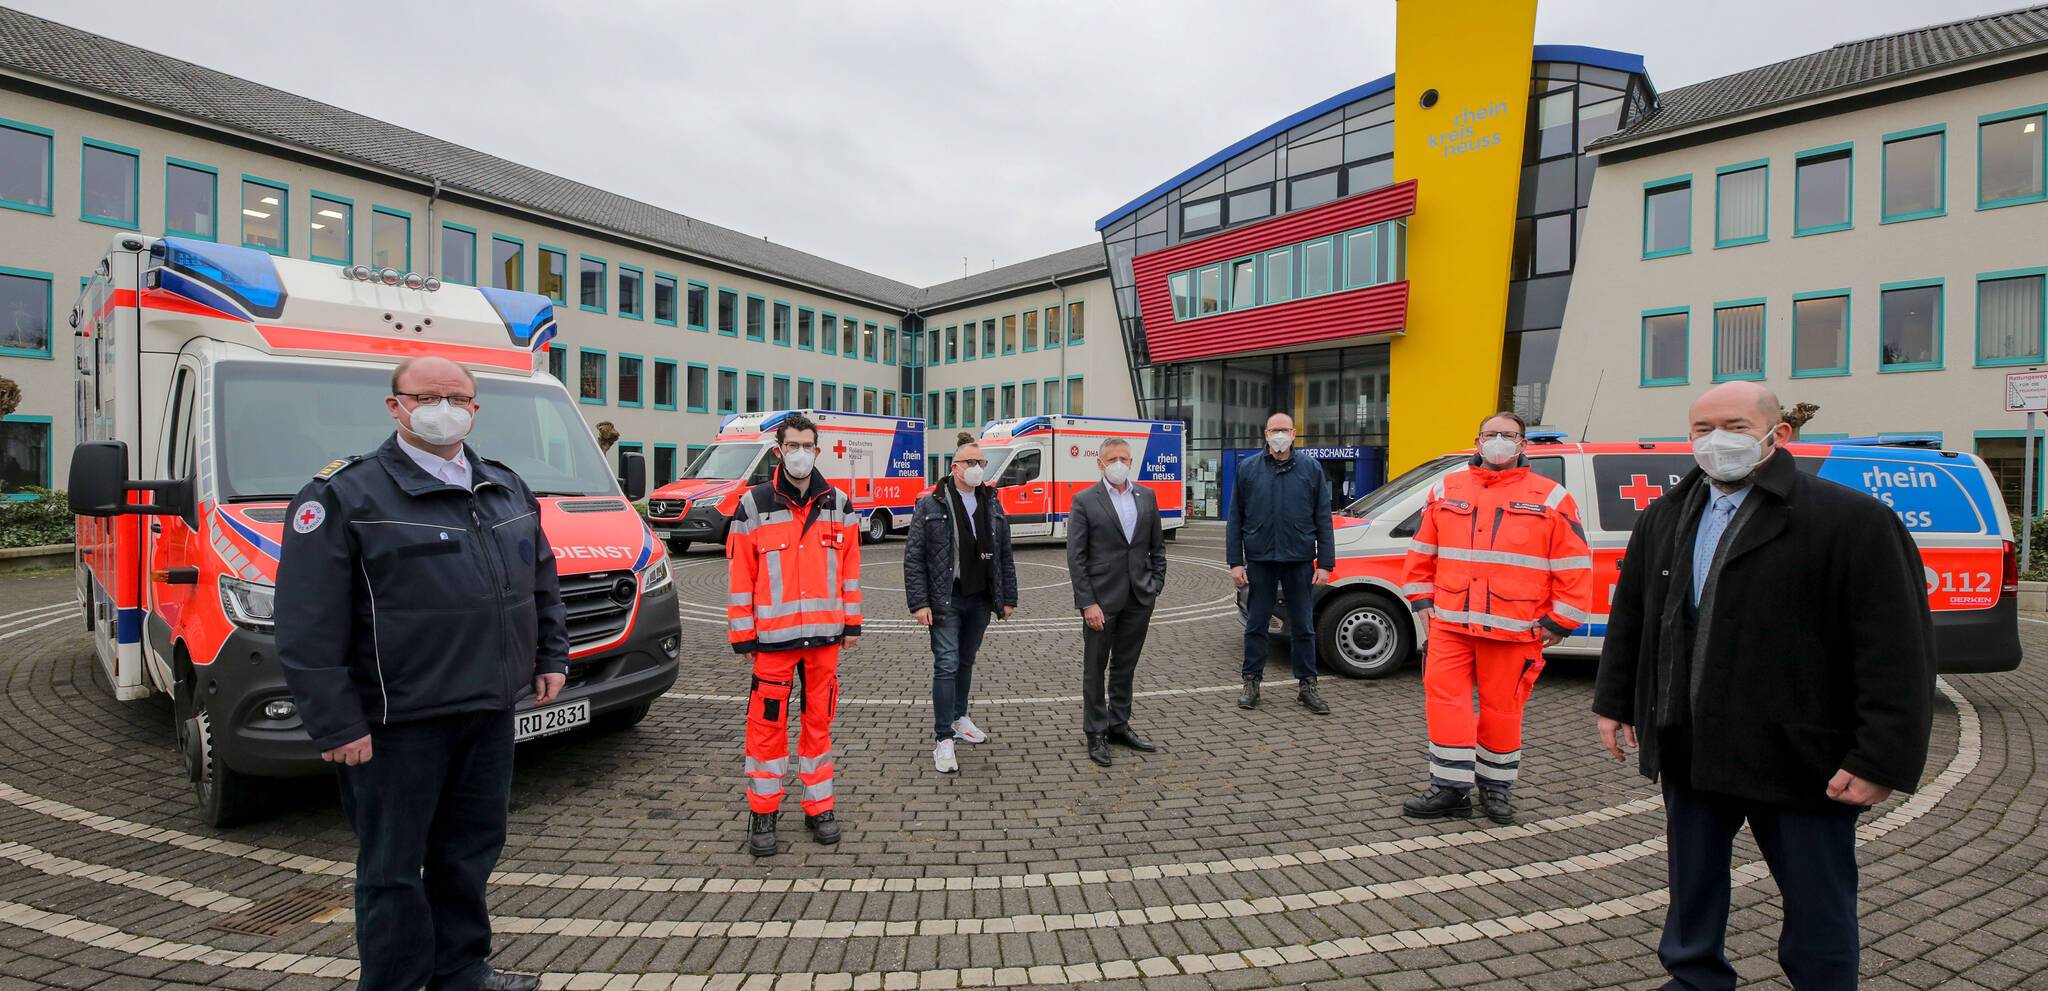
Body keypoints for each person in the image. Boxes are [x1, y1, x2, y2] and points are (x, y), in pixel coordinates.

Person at [1595, 381, 1935, 991]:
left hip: (1801, 755)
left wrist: (1881, 756)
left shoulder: (1851, 521)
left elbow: (1896, 650)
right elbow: (1636, 614)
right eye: (1702, 429)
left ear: (1778, 436)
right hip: (1691, 743)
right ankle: (1694, 978)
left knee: (1816, 900)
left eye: (1735, 427)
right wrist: (1616, 701)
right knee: (1692, 886)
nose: (1716, 440)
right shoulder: (1667, 515)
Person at [276, 355, 562, 991]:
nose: (444, 407)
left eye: (457, 397)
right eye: (428, 395)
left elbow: (538, 581)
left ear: (475, 409)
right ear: (395, 406)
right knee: (392, 870)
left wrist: (550, 656)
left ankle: (461, 969)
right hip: (396, 723)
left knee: (467, 853)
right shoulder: (345, 495)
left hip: (487, 711)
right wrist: (335, 723)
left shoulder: (504, 487)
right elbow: (306, 624)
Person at [1398, 411, 1595, 825]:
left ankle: (1496, 788)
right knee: (1445, 706)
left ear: (1524, 444)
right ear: (1478, 441)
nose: (1499, 441)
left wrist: (1561, 621)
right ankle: (1450, 790)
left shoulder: (1551, 497)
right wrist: (1421, 601)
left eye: (1509, 435)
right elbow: (1421, 552)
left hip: (1515, 630)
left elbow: (1574, 565)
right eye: (1492, 434)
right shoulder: (1445, 489)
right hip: (1450, 626)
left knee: (1502, 712)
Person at [727, 413, 863, 857]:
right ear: (779, 450)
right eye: (793, 445)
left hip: (824, 639)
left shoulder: (838, 504)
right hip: (773, 641)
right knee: (766, 729)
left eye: (808, 445)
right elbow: (740, 576)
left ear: (817, 450)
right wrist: (742, 634)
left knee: (819, 724)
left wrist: (852, 623)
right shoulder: (753, 505)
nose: (801, 453)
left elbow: (850, 570)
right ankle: (763, 810)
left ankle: (818, 805)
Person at [905, 440, 1019, 773]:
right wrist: (918, 602)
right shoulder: (931, 504)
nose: (977, 467)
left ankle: (959, 718)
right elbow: (914, 557)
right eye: (970, 462)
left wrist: (1008, 597)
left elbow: (1005, 555)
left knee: (966, 660)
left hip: (980, 596)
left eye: (980, 461)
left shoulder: (992, 502)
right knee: (947, 662)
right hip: (946, 596)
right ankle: (943, 738)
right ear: (955, 467)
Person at [1066, 437, 1168, 767]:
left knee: (1125, 666)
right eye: (1113, 458)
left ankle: (1119, 724)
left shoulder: (1146, 496)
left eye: (1125, 457)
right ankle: (1095, 732)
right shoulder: (1084, 501)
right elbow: (1076, 558)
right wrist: (1087, 603)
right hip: (1101, 601)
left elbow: (1157, 547)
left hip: (1139, 597)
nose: (1119, 463)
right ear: (1100, 463)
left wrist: (1155, 585)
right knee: (1095, 669)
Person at [1227, 412, 1335, 714]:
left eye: (1284, 430)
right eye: (1274, 430)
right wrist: (1235, 562)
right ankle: (1251, 682)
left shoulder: (1311, 469)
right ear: (1265, 433)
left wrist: (1325, 564)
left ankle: (1307, 686)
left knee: (1303, 625)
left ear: (1294, 433)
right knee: (1256, 624)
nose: (1279, 435)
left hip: (1299, 559)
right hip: (1260, 560)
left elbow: (1323, 520)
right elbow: (1235, 518)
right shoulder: (1248, 469)